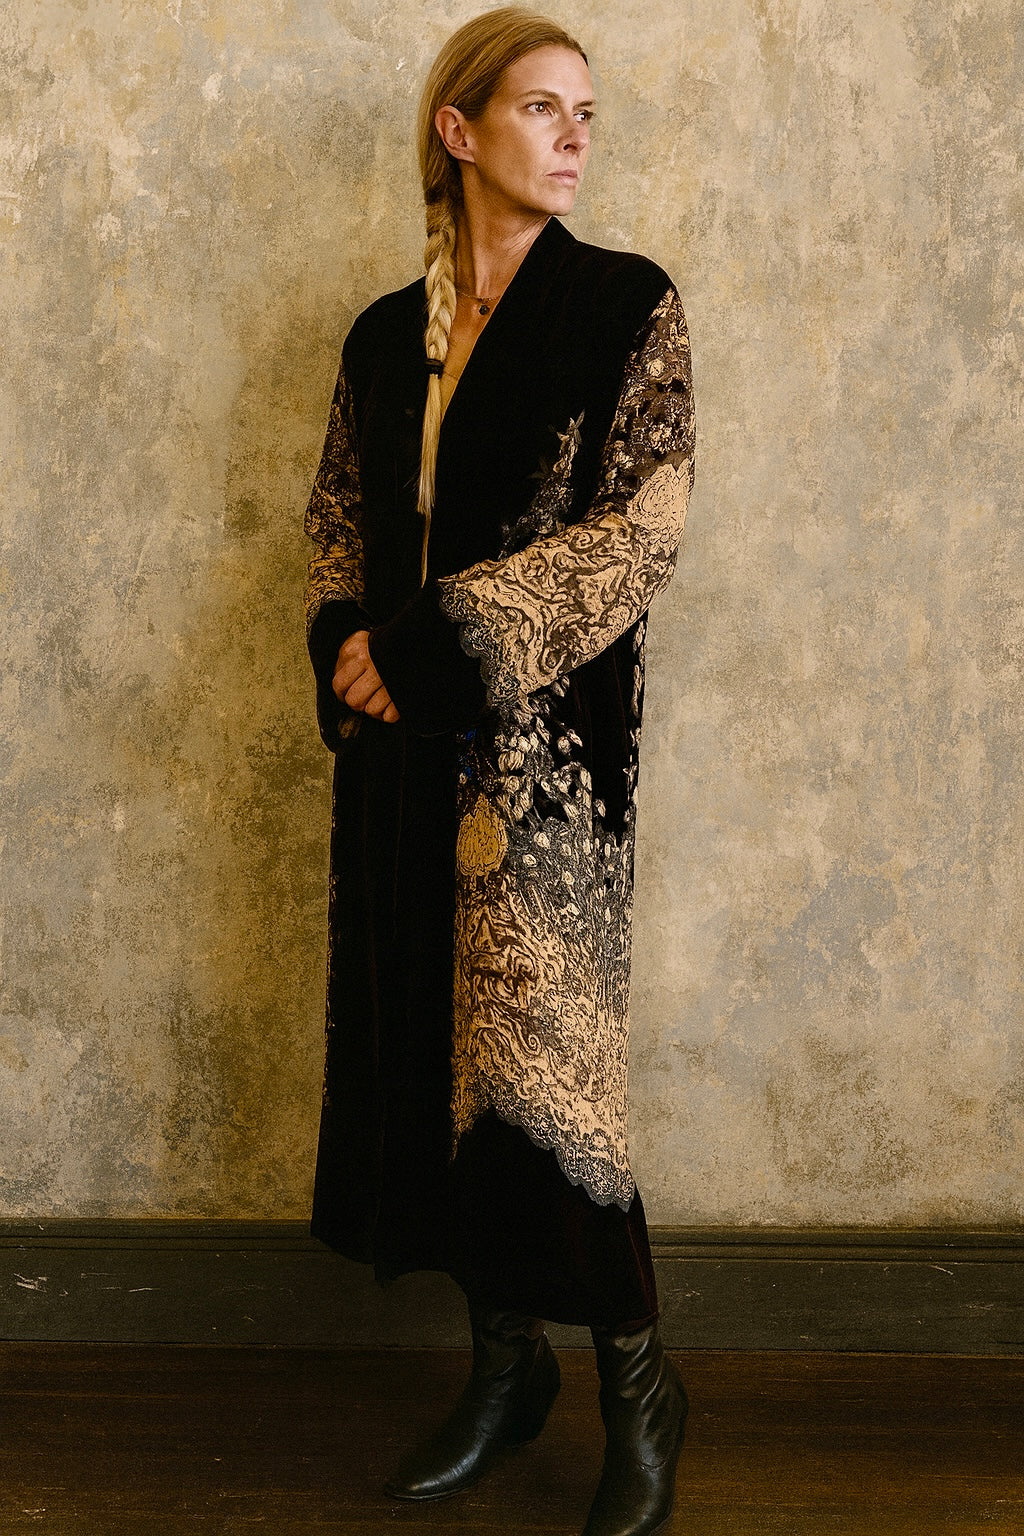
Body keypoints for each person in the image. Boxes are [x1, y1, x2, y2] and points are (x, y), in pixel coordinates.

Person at [303, 9, 695, 1534]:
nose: (576, 134)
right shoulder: (379, 336)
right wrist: (347, 643)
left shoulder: (625, 307)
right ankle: (505, 1369)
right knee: (434, 1075)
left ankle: (642, 1390)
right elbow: (342, 520)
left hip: (546, 773)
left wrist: (433, 641)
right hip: (401, 768)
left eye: (586, 110)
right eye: (542, 108)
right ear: (460, 131)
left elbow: (638, 538)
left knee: (548, 1089)